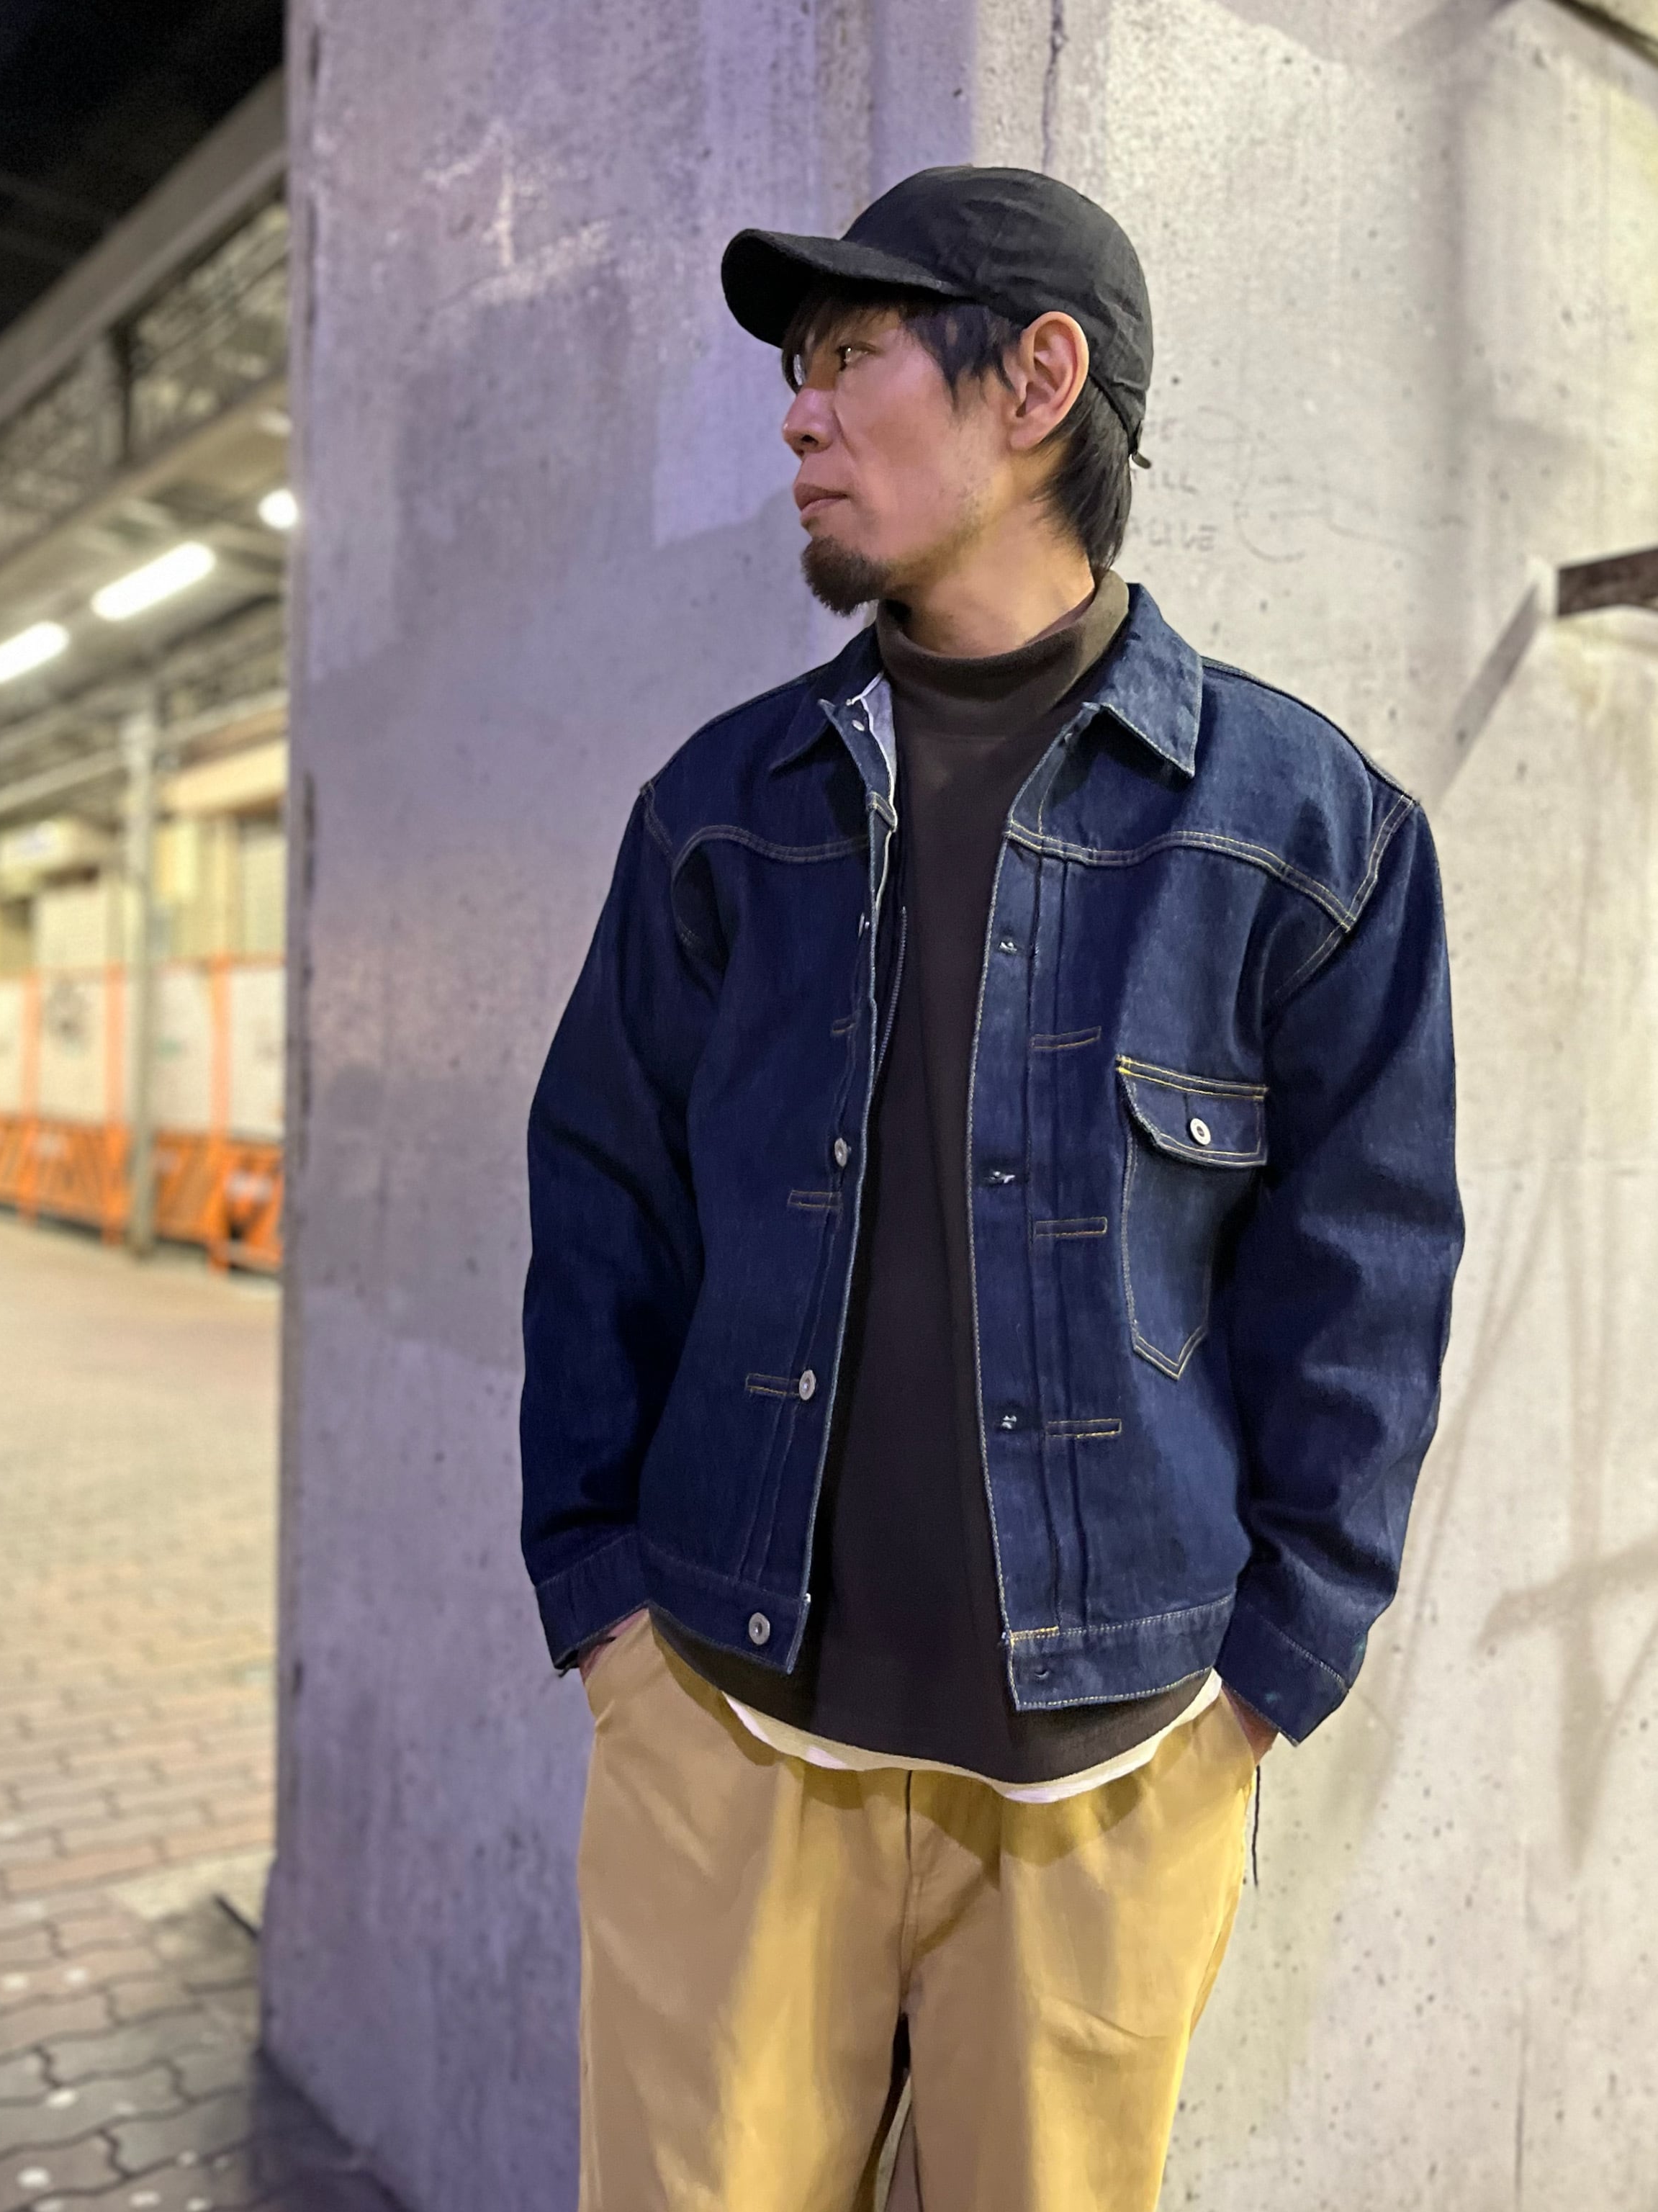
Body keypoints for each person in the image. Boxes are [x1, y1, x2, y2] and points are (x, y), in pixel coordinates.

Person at [520, 165, 1463, 2212]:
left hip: (1110, 1774)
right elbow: (602, 1208)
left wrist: (1266, 1682)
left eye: (850, 354)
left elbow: (1364, 1280)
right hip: (728, 1731)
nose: (797, 411)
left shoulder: (1309, 833)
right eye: (797, 368)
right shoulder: (718, 814)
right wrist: (604, 1614)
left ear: (1036, 381)